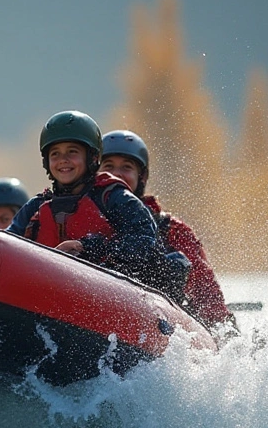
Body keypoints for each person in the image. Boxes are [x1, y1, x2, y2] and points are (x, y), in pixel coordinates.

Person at [6, 111, 189, 293]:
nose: (63, 160)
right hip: (50, 295)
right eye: (55, 154)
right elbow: (6, 245)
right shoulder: (35, 207)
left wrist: (88, 248)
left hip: (111, 294)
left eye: (72, 152)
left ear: (92, 158)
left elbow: (146, 242)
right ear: (47, 162)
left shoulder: (115, 198)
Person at [99, 129, 235, 331]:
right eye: (108, 166)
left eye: (126, 167)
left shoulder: (170, 229)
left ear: (141, 177)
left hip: (156, 324)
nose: (117, 174)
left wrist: (221, 327)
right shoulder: (81, 215)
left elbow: (205, 289)